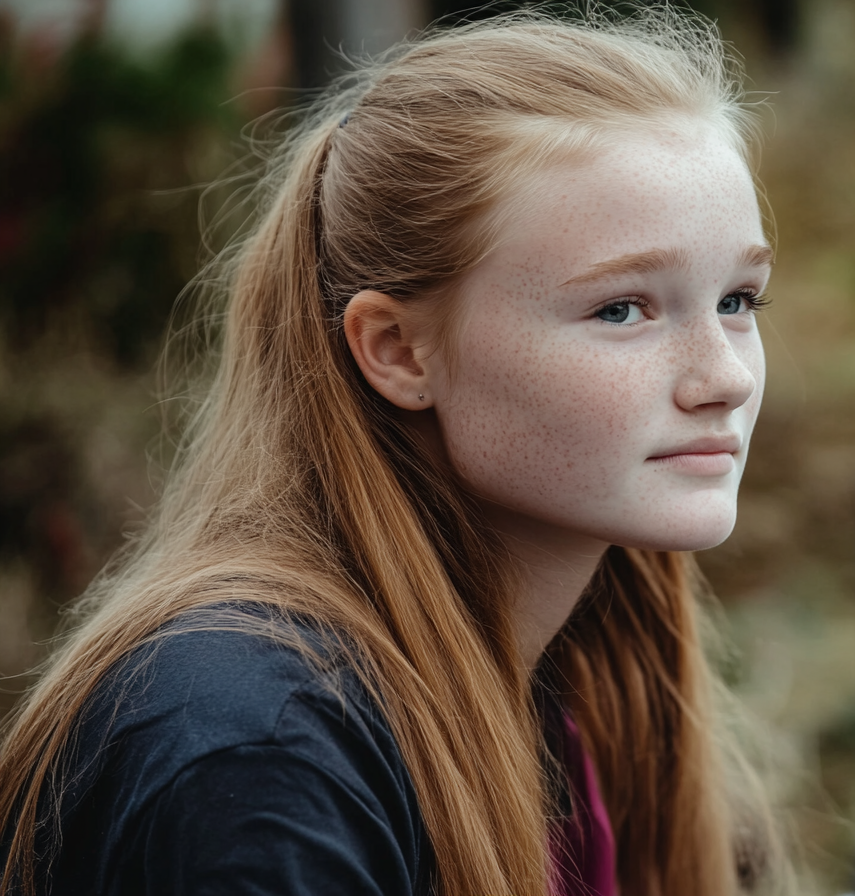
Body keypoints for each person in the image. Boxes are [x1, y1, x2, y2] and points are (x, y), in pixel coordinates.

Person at [0, 7, 789, 895]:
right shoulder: (260, 755)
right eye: (622, 310)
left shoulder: (589, 676)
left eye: (739, 301)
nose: (723, 376)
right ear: (399, 351)